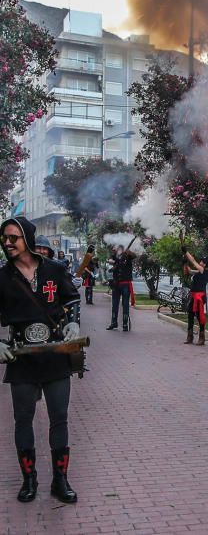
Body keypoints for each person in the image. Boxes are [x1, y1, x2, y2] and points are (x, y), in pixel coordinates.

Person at [0, 216, 81, 504]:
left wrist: (73, 324)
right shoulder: (2, 277)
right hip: (21, 358)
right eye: (5, 238)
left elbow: (72, 300)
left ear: (28, 238)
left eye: (14, 237)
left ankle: (60, 480)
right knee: (23, 420)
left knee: (59, 418)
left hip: (56, 356)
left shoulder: (55, 270)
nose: (8, 243)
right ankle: (29, 480)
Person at [183, 251, 208, 346]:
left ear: (205, 264)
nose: (200, 262)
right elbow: (188, 271)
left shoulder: (204, 271)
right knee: (190, 315)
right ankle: (190, 336)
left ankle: (202, 338)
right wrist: (185, 262)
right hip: (194, 296)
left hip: (200, 297)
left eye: (202, 262)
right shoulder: (199, 271)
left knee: (199, 317)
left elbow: (193, 261)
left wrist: (186, 252)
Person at [106, 245, 136, 332]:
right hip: (116, 283)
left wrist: (128, 252)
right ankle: (113, 322)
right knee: (114, 304)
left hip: (125, 284)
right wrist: (112, 261)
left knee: (125, 305)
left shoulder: (128, 255)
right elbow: (110, 261)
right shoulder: (115, 256)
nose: (114, 249)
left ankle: (125, 324)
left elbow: (134, 255)